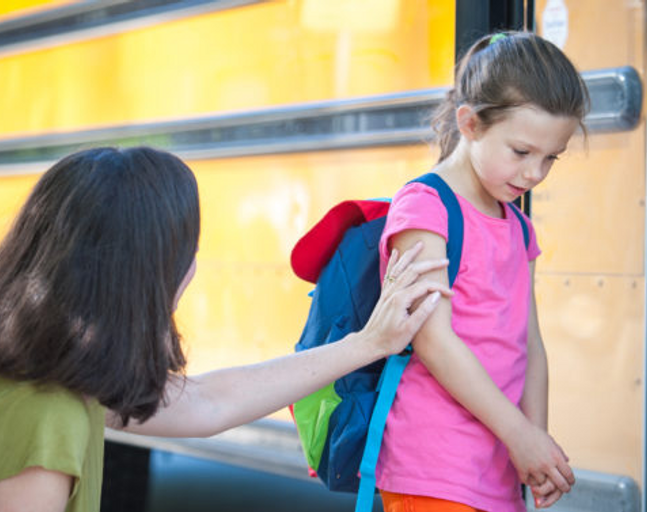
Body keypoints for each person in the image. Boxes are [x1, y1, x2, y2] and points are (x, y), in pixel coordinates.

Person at [0, 146, 453, 512]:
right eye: (185, 253)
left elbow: (209, 402)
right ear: (142, 278)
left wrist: (368, 344)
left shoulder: (55, 377)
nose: (192, 269)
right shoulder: (48, 416)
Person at [375, 31, 589, 512]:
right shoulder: (425, 207)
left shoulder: (517, 226)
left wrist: (536, 444)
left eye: (550, 157)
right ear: (469, 123)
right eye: (521, 152)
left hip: (497, 469)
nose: (535, 173)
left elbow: (529, 343)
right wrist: (519, 434)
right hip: (433, 469)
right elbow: (431, 338)